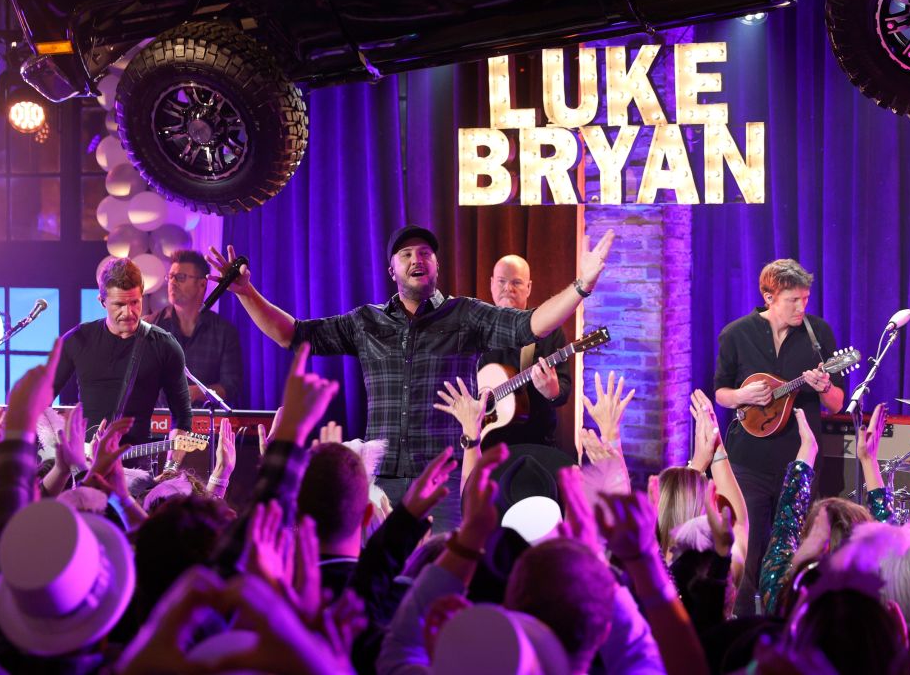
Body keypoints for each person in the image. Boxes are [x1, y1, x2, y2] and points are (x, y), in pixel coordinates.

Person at [209, 224, 614, 532]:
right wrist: (246, 292)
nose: (416, 259)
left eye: (425, 253)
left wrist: (581, 286)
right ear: (392, 269)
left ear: (437, 266)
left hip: (444, 476)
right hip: (380, 478)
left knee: (442, 577)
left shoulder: (466, 315)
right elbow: (293, 335)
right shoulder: (366, 322)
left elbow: (532, 325)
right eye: (406, 254)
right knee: (381, 581)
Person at [713, 258, 845, 616]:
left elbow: (836, 404)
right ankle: (740, 623)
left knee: (793, 547)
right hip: (749, 461)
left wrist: (824, 386)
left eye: (805, 299)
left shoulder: (818, 334)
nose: (802, 307)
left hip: (799, 462)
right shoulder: (736, 334)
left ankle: (787, 623)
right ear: (769, 297)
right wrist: (742, 395)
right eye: (793, 300)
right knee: (748, 548)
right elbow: (721, 393)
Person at [53, 258, 193, 452]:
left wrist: (171, 466)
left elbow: (182, 417)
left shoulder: (164, 345)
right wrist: (55, 447)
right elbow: (40, 401)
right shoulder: (78, 339)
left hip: (136, 461)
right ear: (102, 301)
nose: (128, 312)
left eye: (135, 302)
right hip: (84, 461)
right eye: (119, 304)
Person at [477, 255, 571, 449]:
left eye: (516, 282)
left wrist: (553, 392)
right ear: (492, 284)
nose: (508, 288)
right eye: (501, 281)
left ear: (528, 287)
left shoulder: (549, 329)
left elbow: (563, 392)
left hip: (535, 445)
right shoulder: (476, 329)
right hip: (484, 446)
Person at [146, 249, 243, 408]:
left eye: (180, 277)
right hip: (159, 420)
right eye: (170, 277)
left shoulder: (224, 332)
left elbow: (232, 386)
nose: (172, 282)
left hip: (205, 420)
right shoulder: (151, 326)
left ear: (202, 284)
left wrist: (198, 392)